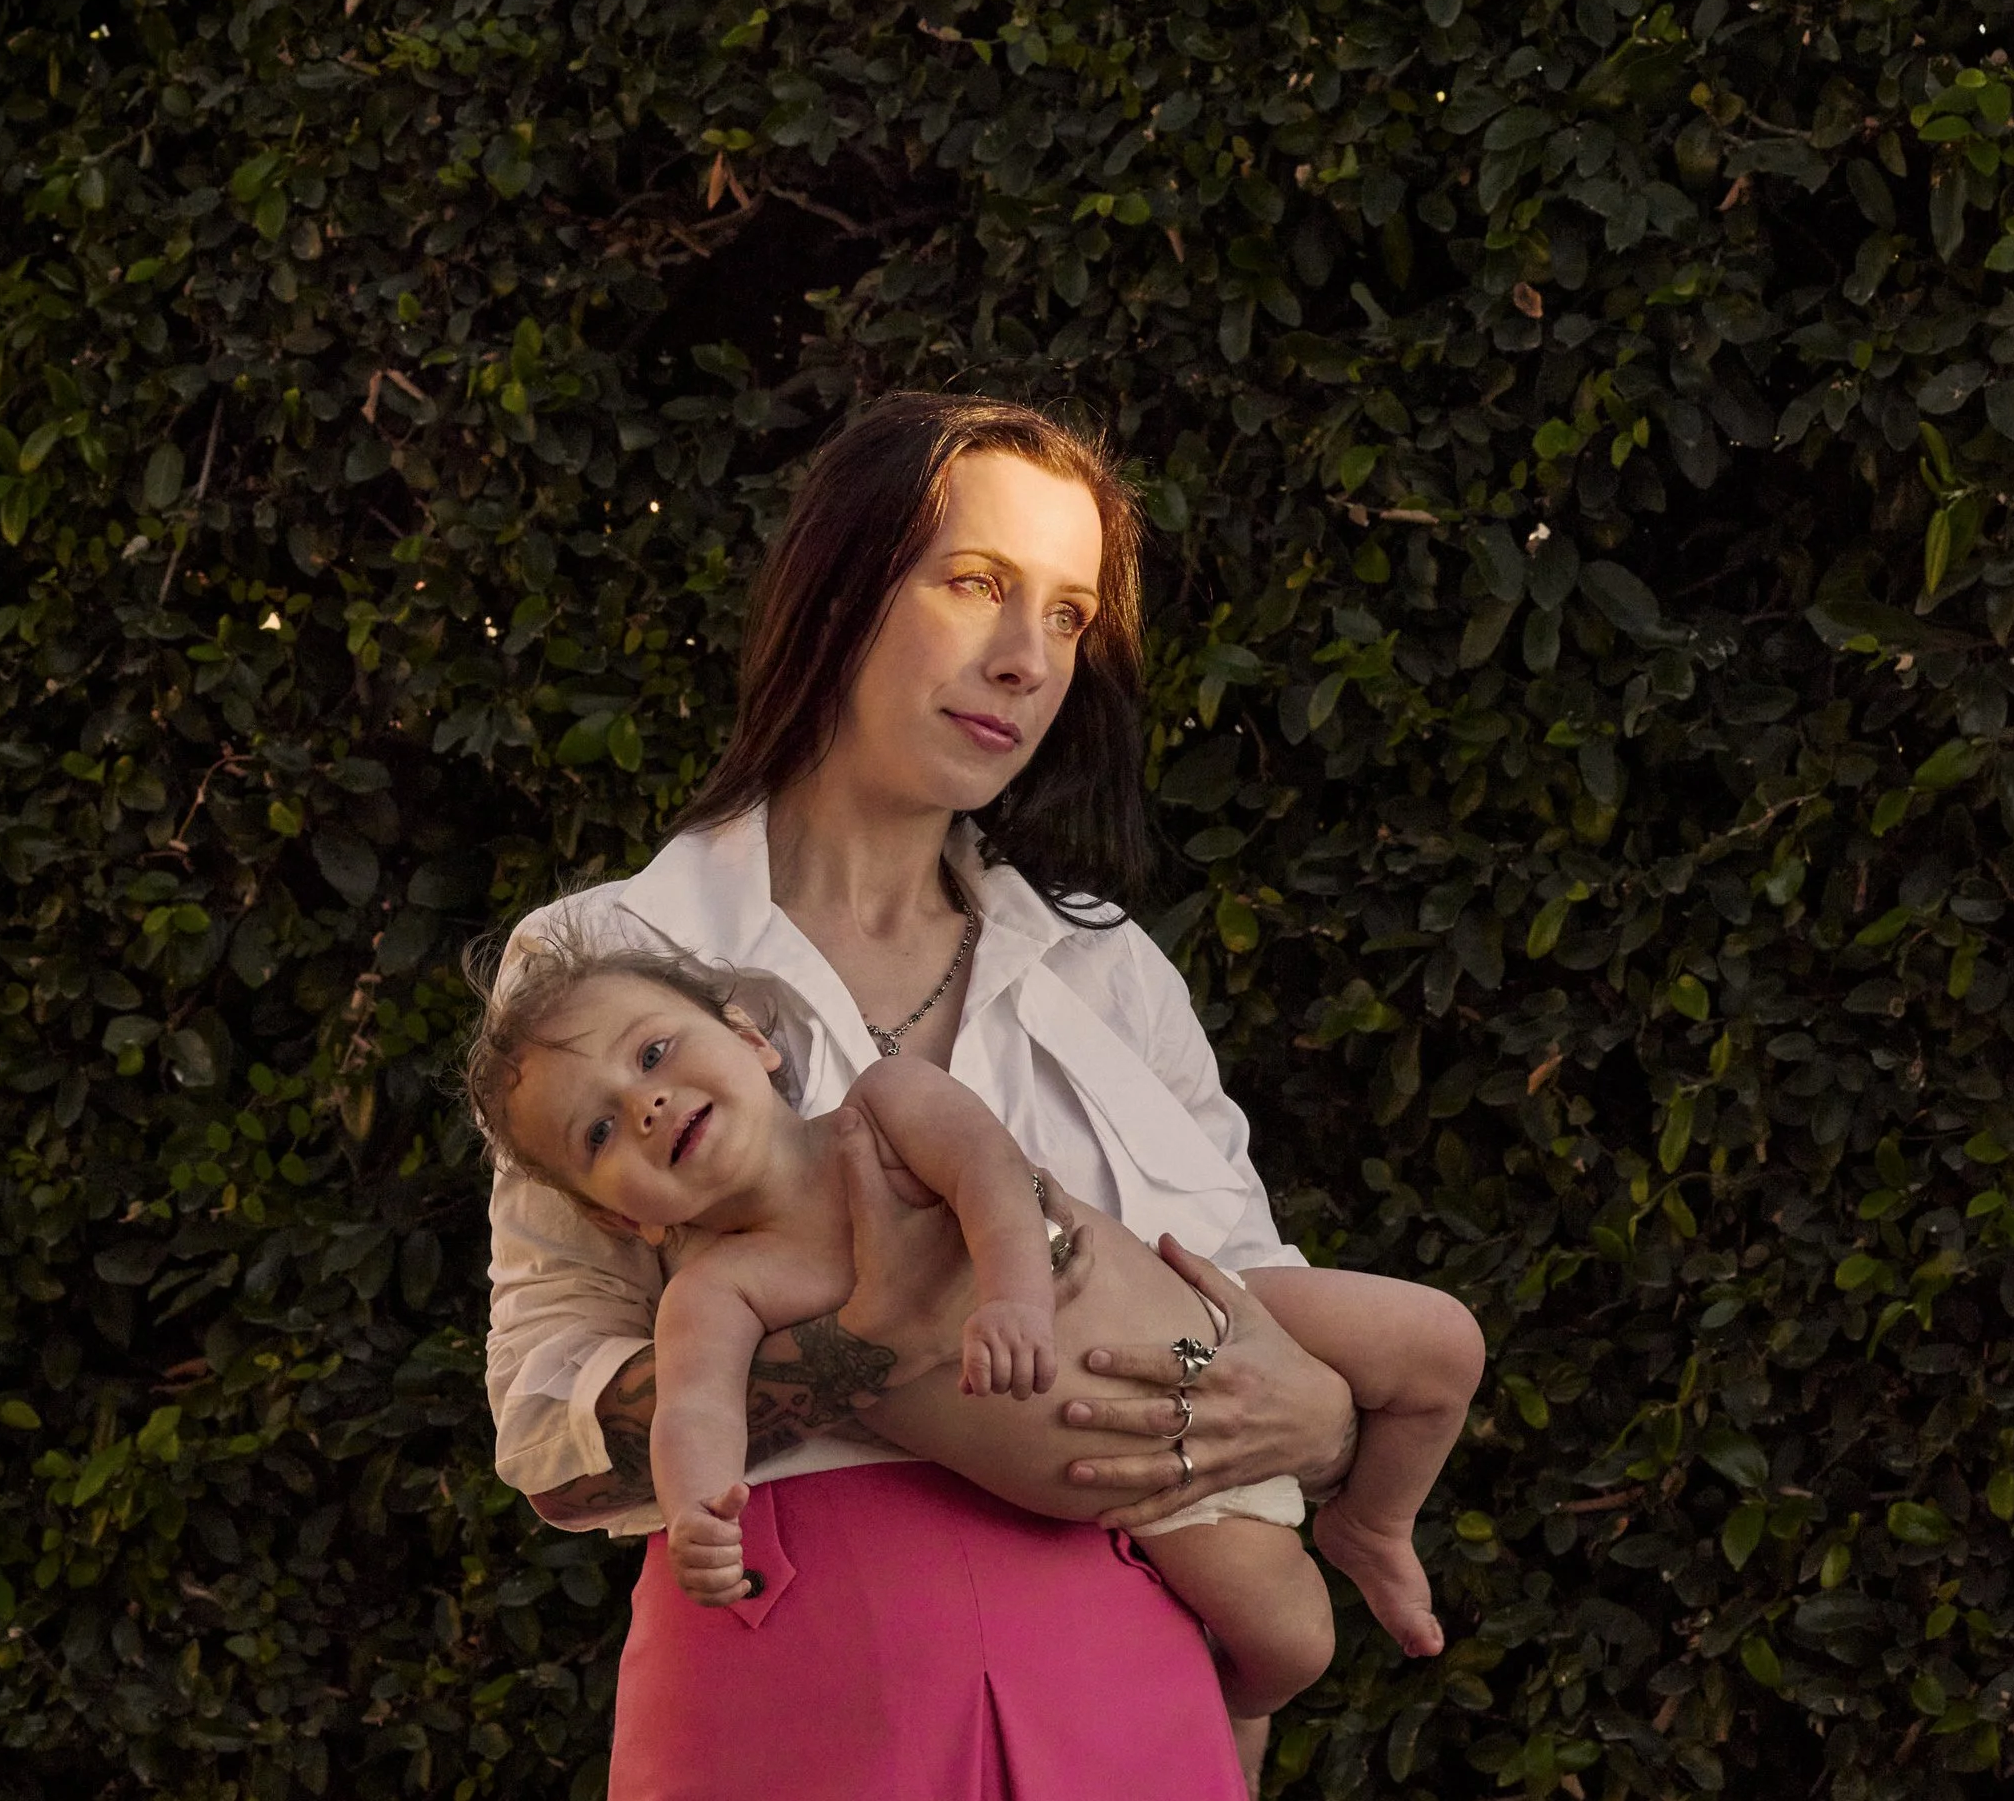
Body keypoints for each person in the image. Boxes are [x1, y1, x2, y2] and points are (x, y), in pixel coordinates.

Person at [484, 393, 1486, 1798]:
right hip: (794, 1682)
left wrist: (1319, 1428)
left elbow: (1261, 1318)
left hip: (1133, 1681)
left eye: (1068, 616)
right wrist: (872, 1352)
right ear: (836, 593)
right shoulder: (601, 961)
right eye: (974, 584)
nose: (1026, 659)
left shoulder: (1107, 969)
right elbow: (550, 1440)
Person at [469, 930, 1479, 1723]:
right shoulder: (722, 1289)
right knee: (1294, 1644)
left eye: (653, 1053)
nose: (644, 1104)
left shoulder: (885, 1106)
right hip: (1156, 1489)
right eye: (598, 1131)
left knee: (1441, 1344)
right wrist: (699, 1512)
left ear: (749, 1038)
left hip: (1213, 1311)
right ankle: (1218, 1713)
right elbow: (694, 1408)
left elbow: (990, 1171)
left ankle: (1375, 1523)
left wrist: (1012, 1296)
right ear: (623, 1219)